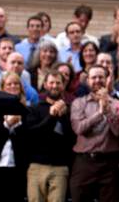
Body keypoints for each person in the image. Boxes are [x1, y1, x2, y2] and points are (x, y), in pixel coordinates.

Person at [70, 65, 119, 201]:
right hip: (84, 161)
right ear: (88, 80)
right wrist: (99, 113)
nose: (97, 80)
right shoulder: (78, 103)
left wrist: (108, 109)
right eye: (94, 77)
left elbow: (118, 132)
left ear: (107, 80)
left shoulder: (116, 104)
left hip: (109, 163)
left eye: (101, 77)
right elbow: (79, 129)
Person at [25, 69, 76, 202]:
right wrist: (51, 116)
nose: (54, 86)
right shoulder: (35, 109)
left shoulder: (70, 110)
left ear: (63, 85)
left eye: (58, 83)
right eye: (51, 83)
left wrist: (64, 116)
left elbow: (72, 139)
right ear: (45, 85)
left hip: (60, 167)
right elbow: (33, 135)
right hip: (36, 166)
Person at [0, 72, 29, 201]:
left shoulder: (27, 110)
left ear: (21, 87)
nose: (13, 86)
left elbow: (29, 140)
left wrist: (18, 126)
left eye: (16, 83)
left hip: (18, 167)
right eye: (9, 84)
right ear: (3, 87)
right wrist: (7, 124)